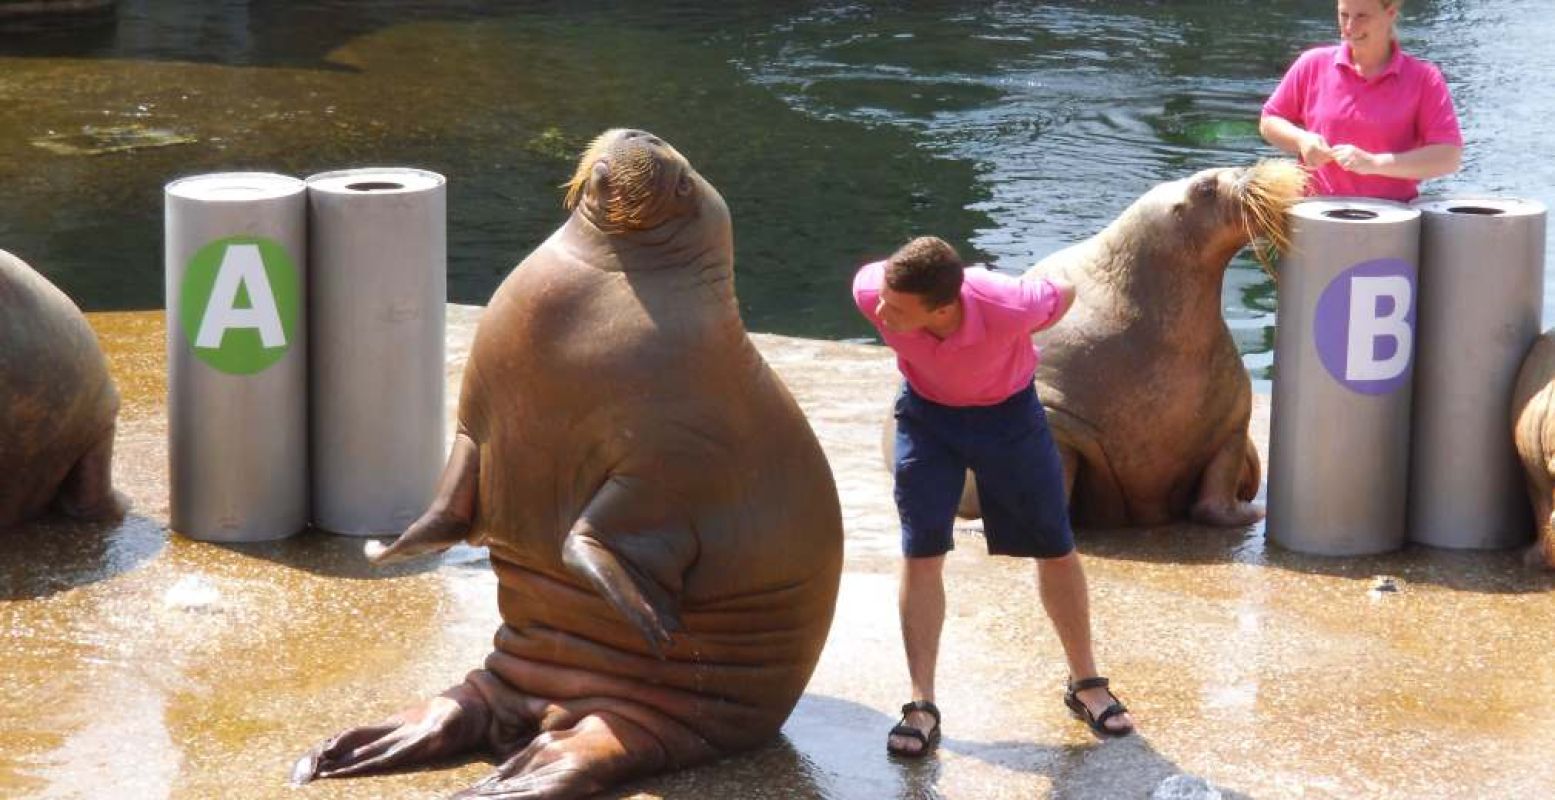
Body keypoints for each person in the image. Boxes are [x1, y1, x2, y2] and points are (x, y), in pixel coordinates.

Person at [852, 236, 1134, 758]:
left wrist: (1029, 335)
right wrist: (891, 303)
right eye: (884, 301)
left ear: (942, 308)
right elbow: (878, 294)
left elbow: (1065, 291)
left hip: (1009, 417)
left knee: (1054, 545)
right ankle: (921, 703)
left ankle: (1086, 681)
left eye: (897, 308)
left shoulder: (1009, 303)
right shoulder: (872, 290)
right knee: (921, 550)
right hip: (926, 416)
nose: (880, 312)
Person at [1259, 0, 1462, 202]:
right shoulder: (1312, 64)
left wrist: (1374, 163)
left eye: (1362, 16)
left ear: (1390, 14)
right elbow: (1269, 120)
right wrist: (1301, 140)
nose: (1350, 27)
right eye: (1344, 15)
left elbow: (1448, 157)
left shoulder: (1424, 79)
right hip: (1314, 215)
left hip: (1392, 220)